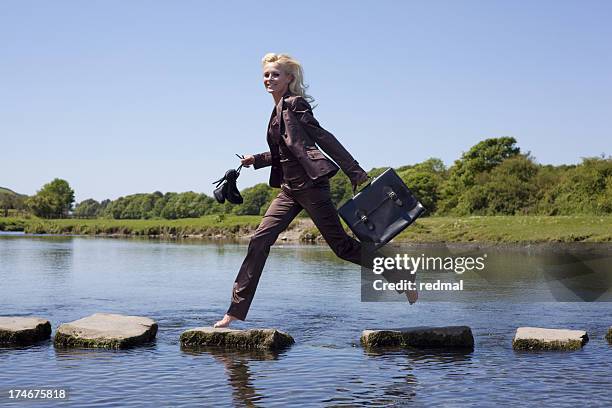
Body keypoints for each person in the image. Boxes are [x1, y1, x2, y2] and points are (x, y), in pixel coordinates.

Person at [213, 53, 398, 328]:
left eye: (275, 74)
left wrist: (355, 171)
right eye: (266, 74)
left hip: (311, 186)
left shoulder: (295, 104)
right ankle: (235, 312)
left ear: (290, 78)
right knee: (259, 240)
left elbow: (322, 137)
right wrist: (257, 160)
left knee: (342, 247)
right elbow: (285, 151)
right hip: (288, 190)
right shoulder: (276, 111)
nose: (269, 79)